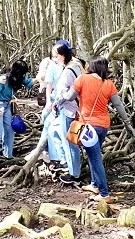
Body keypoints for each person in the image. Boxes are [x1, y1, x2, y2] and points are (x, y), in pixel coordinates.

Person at [56, 56, 135, 202]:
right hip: (103, 126)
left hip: (88, 127)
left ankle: (104, 194)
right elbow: (118, 105)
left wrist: (62, 92)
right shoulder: (108, 83)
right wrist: (127, 123)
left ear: (91, 67)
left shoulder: (82, 79)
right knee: (93, 154)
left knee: (95, 158)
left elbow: (69, 97)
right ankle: (94, 184)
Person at [0, 60, 38, 170]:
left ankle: (8, 156)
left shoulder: (20, 78)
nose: (24, 75)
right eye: (23, 73)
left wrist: (44, 74)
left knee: (10, 130)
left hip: (7, 106)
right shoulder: (3, 79)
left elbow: (31, 82)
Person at [50, 42, 84, 186]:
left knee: (70, 142)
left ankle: (74, 174)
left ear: (63, 56)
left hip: (69, 110)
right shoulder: (77, 65)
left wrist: (56, 102)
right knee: (59, 135)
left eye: (56, 57)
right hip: (78, 109)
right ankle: (71, 166)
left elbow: (64, 94)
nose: (54, 60)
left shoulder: (67, 72)